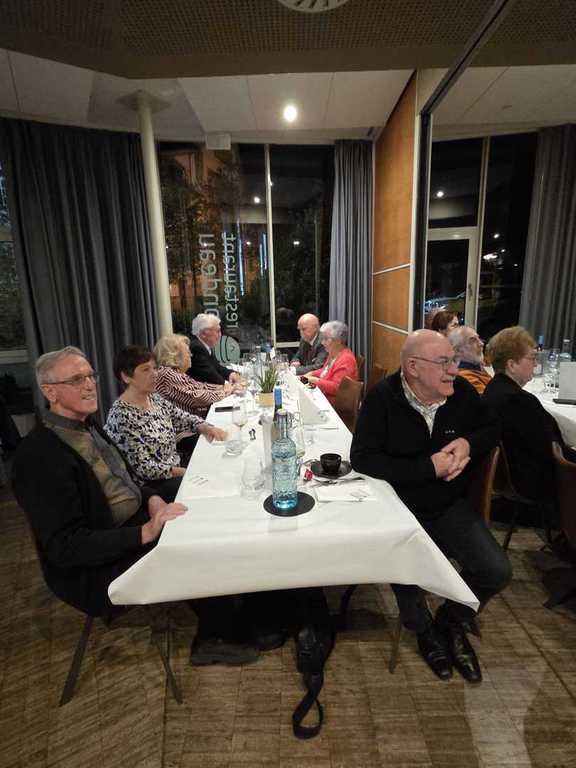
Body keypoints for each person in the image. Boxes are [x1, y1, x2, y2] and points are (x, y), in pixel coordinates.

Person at [11, 346, 258, 664]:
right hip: (95, 566)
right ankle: (212, 638)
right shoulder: (39, 457)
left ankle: (230, 608)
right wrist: (144, 532)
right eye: (76, 379)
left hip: (130, 522)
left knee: (204, 518)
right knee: (197, 541)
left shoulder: (87, 427)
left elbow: (126, 478)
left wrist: (152, 499)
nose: (89, 385)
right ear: (49, 392)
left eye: (90, 376)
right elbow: (65, 547)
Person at [351, 329, 510, 684]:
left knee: (496, 571)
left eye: (454, 360)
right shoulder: (382, 399)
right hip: (399, 510)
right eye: (443, 362)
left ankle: (450, 622)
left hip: (448, 505)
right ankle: (423, 629)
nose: (454, 369)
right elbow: (362, 459)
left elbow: (493, 428)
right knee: (407, 571)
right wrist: (428, 468)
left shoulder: (461, 394)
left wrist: (468, 443)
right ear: (413, 367)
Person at [105, 345, 226, 501]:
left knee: (219, 465)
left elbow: (181, 416)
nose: (154, 374)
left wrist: (205, 427)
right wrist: (186, 472)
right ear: (126, 377)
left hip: (176, 470)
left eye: (155, 368)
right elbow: (143, 468)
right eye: (146, 370)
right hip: (154, 486)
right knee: (213, 489)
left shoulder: (153, 398)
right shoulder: (122, 415)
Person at [483, 326, 576, 503]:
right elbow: (553, 452)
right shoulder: (518, 401)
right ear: (511, 365)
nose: (536, 364)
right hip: (537, 486)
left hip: (516, 479)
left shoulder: (494, 389)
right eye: (532, 358)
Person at [154, 334, 235, 417]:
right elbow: (197, 398)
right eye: (188, 352)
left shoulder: (174, 372)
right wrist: (225, 392)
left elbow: (201, 387)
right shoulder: (167, 374)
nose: (191, 355)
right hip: (188, 423)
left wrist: (226, 387)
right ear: (175, 355)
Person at [302, 321, 358, 405]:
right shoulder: (333, 353)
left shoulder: (346, 360)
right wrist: (312, 373)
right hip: (325, 397)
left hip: (336, 404)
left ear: (338, 340)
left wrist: (314, 380)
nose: (322, 342)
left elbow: (337, 387)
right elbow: (325, 371)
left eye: (326, 339)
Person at [187, 314, 241, 385]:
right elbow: (210, 375)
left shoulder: (204, 346)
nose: (220, 335)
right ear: (203, 334)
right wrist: (228, 385)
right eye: (218, 331)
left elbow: (217, 367)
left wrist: (230, 374)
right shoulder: (197, 347)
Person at [448, 325, 493, 394]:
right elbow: (489, 399)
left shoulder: (475, 367)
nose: (481, 344)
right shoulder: (465, 377)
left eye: (479, 338)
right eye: (473, 341)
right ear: (457, 350)